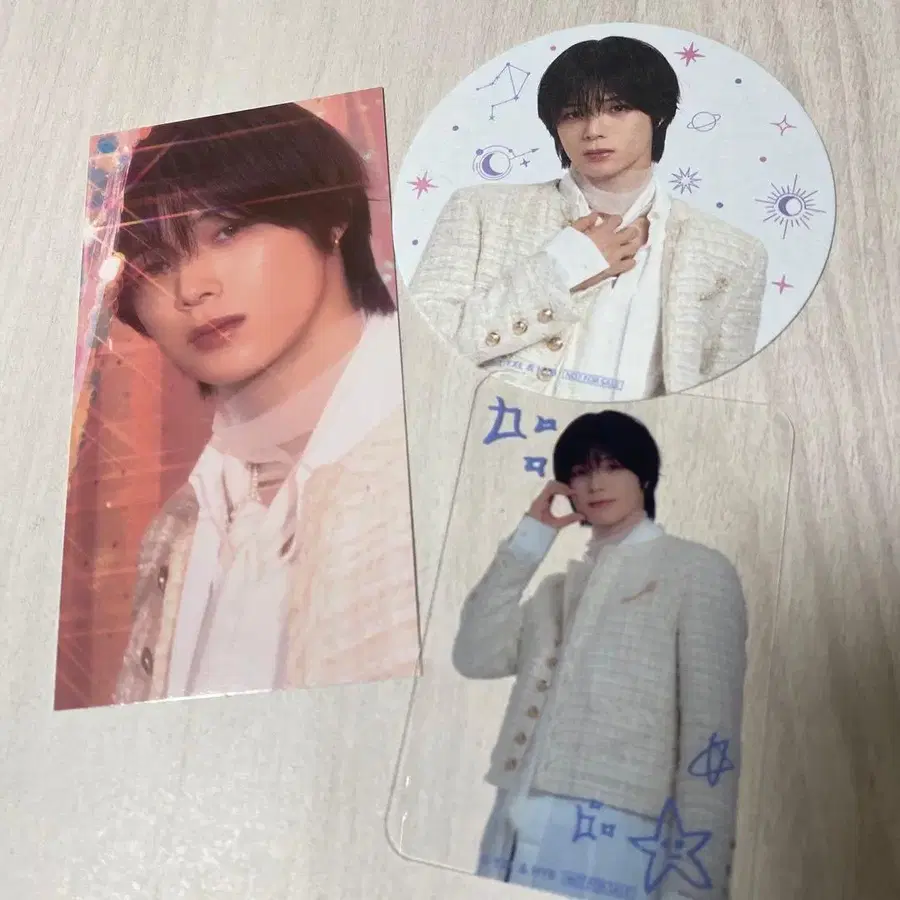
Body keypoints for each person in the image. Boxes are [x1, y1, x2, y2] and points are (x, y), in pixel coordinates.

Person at [105, 102, 419, 703]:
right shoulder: (180, 524)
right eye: (155, 264)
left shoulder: (429, 443)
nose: (192, 289)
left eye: (227, 230)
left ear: (332, 217)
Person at [452, 411, 746, 900]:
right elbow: (474, 655)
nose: (595, 483)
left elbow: (710, 739)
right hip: (511, 824)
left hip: (619, 836)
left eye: (611, 466)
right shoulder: (554, 592)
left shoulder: (696, 571)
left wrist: (696, 885)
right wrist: (528, 544)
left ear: (644, 475)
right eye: (581, 471)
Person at [410, 37, 768, 402]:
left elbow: (721, 403)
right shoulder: (481, 211)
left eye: (617, 108)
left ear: (658, 115)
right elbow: (416, 348)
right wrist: (563, 269)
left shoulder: (734, 254)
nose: (593, 129)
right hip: (502, 427)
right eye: (573, 114)